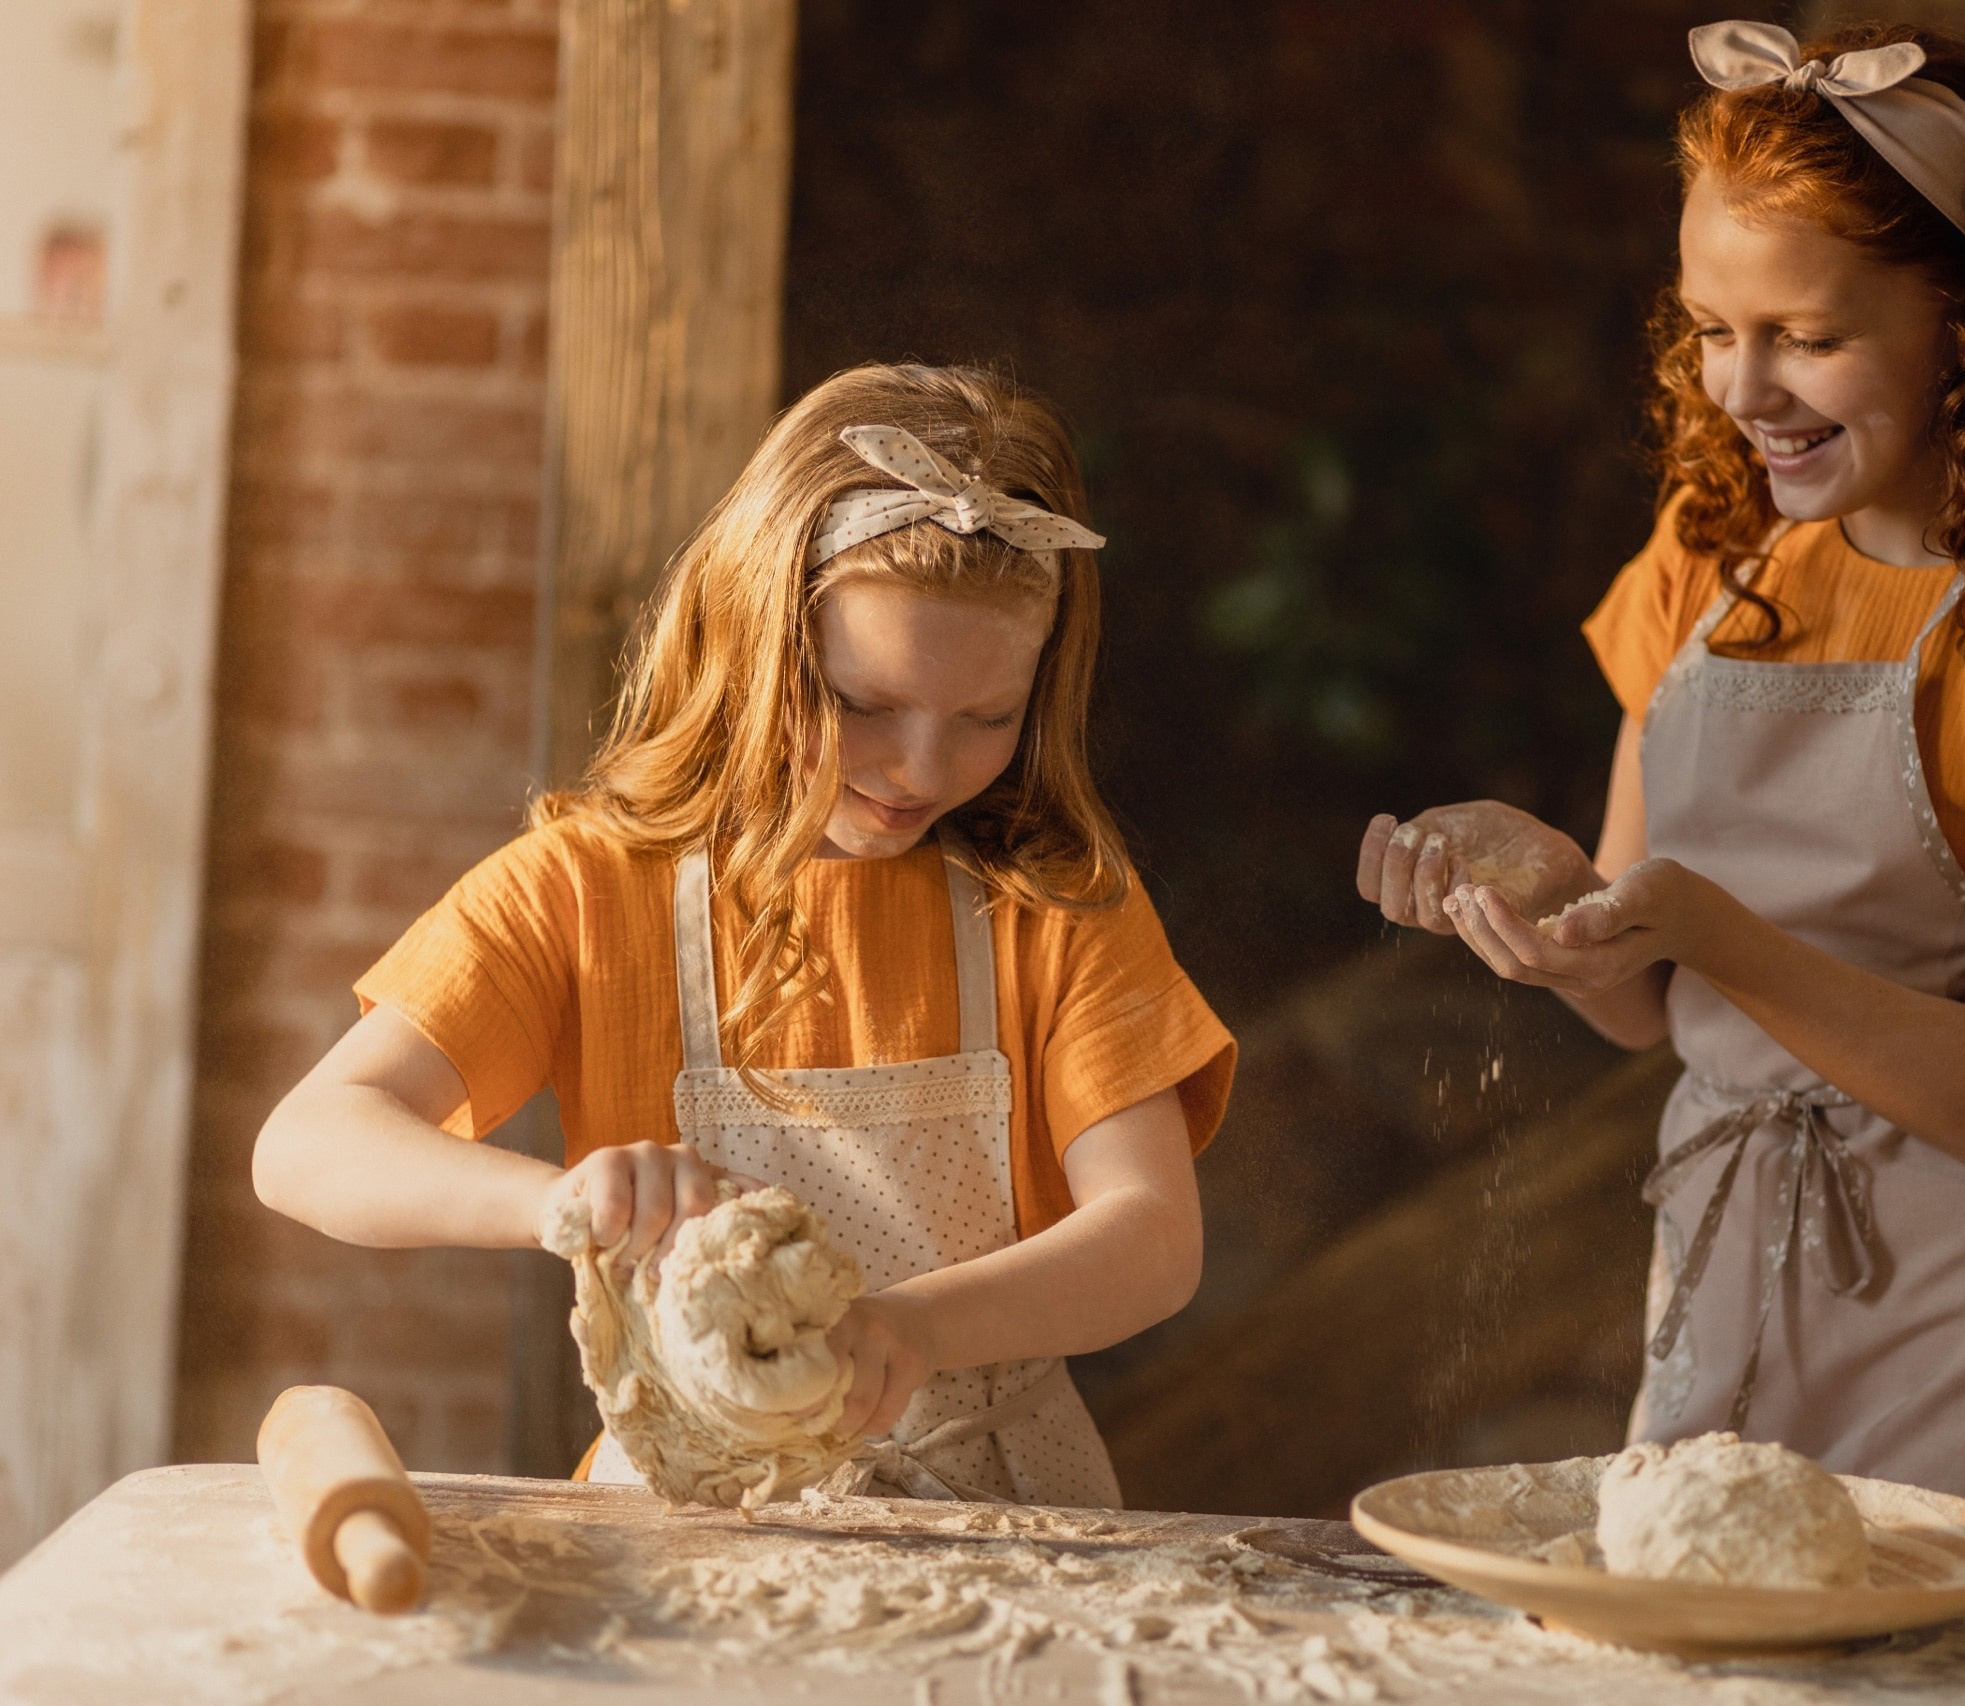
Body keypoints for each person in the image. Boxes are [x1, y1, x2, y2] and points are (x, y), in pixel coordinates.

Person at [1356, 20, 1965, 1561]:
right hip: (1728, 1248)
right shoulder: (1708, 564)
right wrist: (1551, 900)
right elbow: (1643, 1001)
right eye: (1712, 326)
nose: (1745, 387)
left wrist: (1710, 925)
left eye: (1807, 336)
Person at [256, 364, 1235, 1507]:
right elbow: (308, 1143)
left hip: (1005, 1512)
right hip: (692, 1510)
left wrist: (912, 1327)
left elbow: (1154, 1237)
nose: (920, 768)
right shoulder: (583, 891)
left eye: (985, 719)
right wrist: (564, 1205)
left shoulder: (1058, 907)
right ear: (752, 639)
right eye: (861, 702)